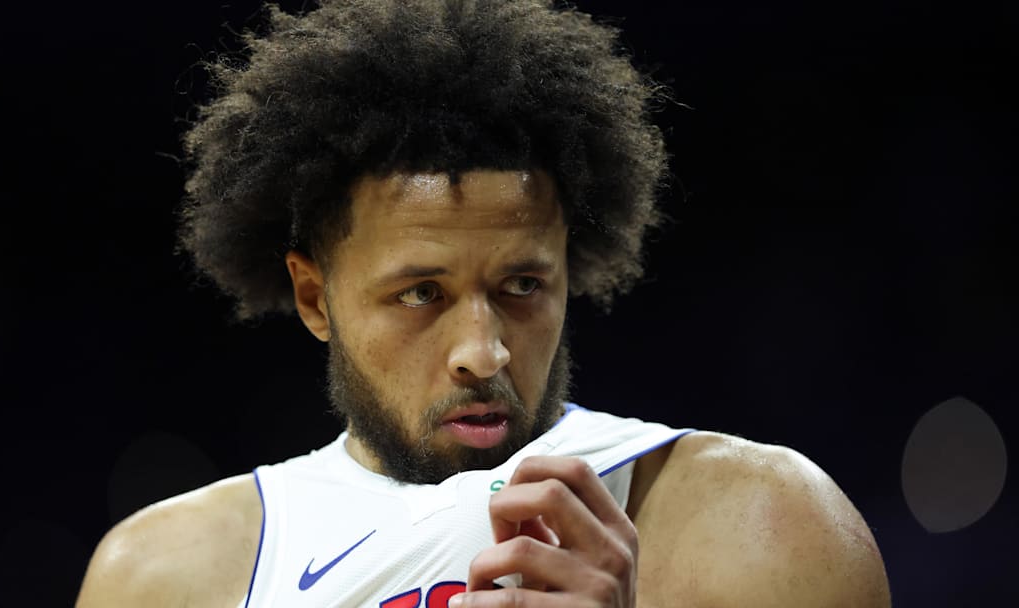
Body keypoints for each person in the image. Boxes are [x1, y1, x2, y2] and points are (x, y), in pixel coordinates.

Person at [76, 1, 891, 606]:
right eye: (423, 293)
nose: (486, 350)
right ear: (315, 297)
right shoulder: (165, 576)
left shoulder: (761, 529)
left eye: (522, 287)